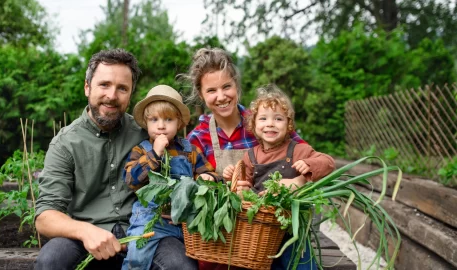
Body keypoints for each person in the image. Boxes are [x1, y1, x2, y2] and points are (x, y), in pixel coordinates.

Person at [34, 49, 196, 270]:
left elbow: (184, 164)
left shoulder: (147, 133)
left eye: (122, 88)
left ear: (130, 95)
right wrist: (85, 231)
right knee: (51, 260)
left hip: (146, 232)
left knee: (181, 265)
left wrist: (176, 204)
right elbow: (45, 216)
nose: (112, 95)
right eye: (104, 85)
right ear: (87, 87)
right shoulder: (65, 144)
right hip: (86, 239)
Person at [179, 48, 309, 270]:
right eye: (211, 90)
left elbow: (306, 153)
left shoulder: (263, 122)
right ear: (201, 95)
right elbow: (187, 188)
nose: (221, 96)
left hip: (270, 230)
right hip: (220, 241)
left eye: (226, 87)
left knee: (301, 261)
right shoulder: (197, 138)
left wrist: (299, 181)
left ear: (236, 87)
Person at [235, 85, 335, 269]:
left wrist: (309, 165)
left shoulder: (297, 150)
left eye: (278, 119)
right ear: (254, 125)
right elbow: (246, 184)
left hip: (291, 226)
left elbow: (328, 161)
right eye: (263, 118)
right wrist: (243, 189)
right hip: (262, 228)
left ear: (288, 124)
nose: (270, 123)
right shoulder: (250, 155)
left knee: (299, 260)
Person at [122, 85, 219, 270]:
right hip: (149, 220)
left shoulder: (189, 150)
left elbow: (210, 173)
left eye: (168, 119)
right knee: (137, 257)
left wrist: (209, 178)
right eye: (154, 120)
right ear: (146, 122)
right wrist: (155, 154)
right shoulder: (141, 150)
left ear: (179, 123)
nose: (161, 125)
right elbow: (130, 179)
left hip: (182, 223)